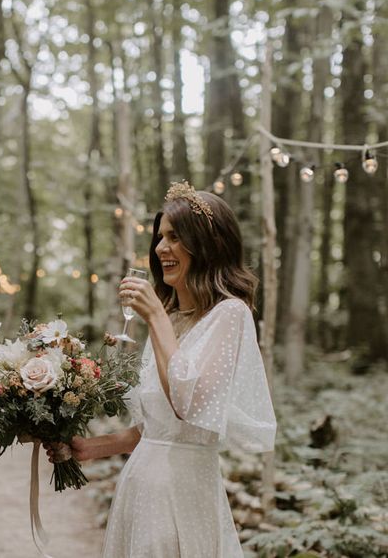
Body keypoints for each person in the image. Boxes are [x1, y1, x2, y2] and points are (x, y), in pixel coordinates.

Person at [52, 180, 276, 557]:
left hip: (184, 491)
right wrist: (87, 449)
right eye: (160, 238)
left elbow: (187, 406)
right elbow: (153, 429)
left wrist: (153, 313)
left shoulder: (230, 315)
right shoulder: (172, 318)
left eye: (174, 237)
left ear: (206, 245)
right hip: (140, 488)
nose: (160, 249)